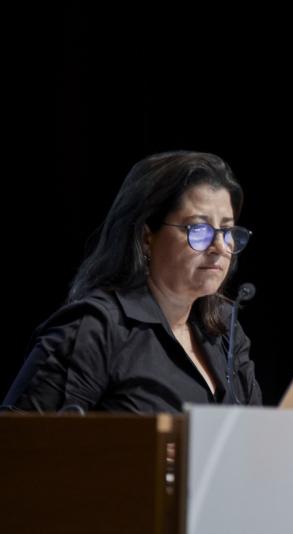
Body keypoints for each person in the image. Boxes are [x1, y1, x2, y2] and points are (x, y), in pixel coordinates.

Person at [3, 151, 262, 413]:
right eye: (199, 229)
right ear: (146, 237)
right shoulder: (95, 328)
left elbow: (254, 429)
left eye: (226, 230)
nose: (220, 247)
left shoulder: (225, 330)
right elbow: (20, 435)